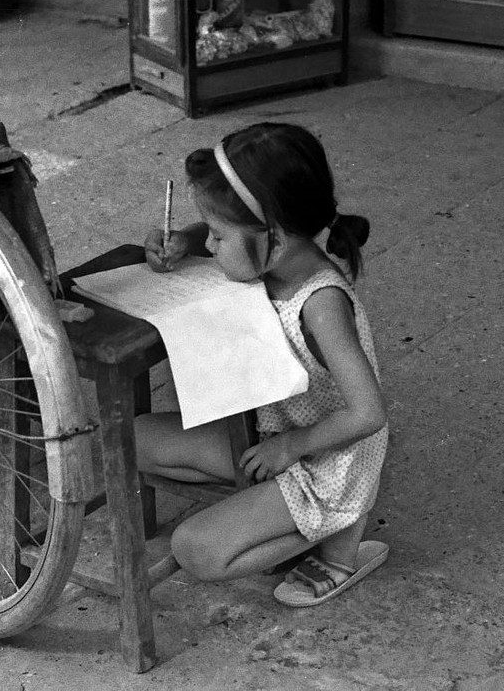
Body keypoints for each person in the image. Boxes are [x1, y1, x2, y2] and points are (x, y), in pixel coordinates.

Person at [136, 122, 389, 607]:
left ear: (272, 236)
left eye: (216, 235)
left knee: (195, 550)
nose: (211, 246)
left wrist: (292, 448)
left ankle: (340, 539)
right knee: (134, 438)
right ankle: (269, 506)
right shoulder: (273, 254)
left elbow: (368, 414)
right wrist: (184, 241)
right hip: (271, 432)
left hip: (329, 459)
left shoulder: (322, 302)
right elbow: (235, 239)